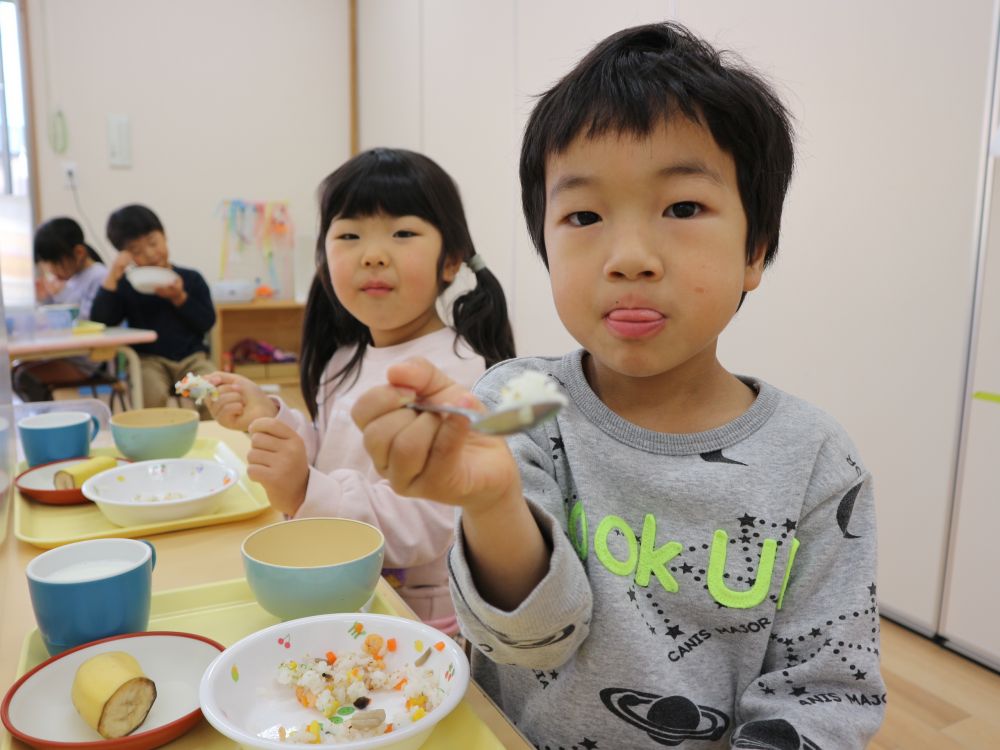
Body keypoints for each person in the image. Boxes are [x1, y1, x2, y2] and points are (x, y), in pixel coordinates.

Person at [351, 23, 884, 749]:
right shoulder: (521, 405)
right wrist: (493, 500)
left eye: (684, 208)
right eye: (584, 216)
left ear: (756, 249)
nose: (629, 257)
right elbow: (527, 643)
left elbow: (823, 696)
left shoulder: (817, 460)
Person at [206, 148, 516, 634]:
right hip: (327, 586)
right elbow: (336, 457)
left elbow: (432, 520)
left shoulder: (458, 374)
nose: (373, 254)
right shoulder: (343, 358)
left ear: (451, 261)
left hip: (408, 614)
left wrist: (306, 491)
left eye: (403, 233)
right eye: (349, 235)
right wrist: (272, 417)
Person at [90, 204, 216, 415]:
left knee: (211, 392)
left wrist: (180, 298)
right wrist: (113, 275)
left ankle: (212, 438)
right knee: (151, 392)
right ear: (125, 255)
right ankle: (157, 442)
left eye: (153, 242)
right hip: (148, 361)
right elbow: (102, 322)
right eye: (136, 251)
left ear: (164, 235)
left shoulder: (191, 279)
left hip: (192, 361)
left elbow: (207, 322)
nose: (149, 253)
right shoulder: (128, 285)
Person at [12, 218, 110, 402]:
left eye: (55, 264)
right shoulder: (73, 280)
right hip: (69, 355)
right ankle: (45, 416)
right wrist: (46, 298)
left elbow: (89, 319)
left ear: (79, 253)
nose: (51, 270)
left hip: (89, 362)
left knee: (22, 375)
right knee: (16, 369)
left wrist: (57, 295)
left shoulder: (99, 276)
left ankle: (47, 418)